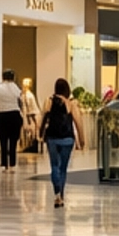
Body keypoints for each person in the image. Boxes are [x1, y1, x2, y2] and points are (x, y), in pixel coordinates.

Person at [41, 77, 84, 206]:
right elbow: (78, 123)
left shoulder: (48, 101)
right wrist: (82, 139)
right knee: (63, 168)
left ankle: (56, 195)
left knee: (54, 165)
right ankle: (62, 195)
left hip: (52, 138)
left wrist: (40, 133)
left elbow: (43, 118)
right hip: (67, 139)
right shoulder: (70, 104)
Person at [0, 67, 25, 171]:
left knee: (3, 141)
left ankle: (4, 164)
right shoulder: (17, 89)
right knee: (13, 141)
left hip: (2, 115)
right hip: (15, 115)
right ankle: (12, 164)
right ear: (13, 77)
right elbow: (21, 103)